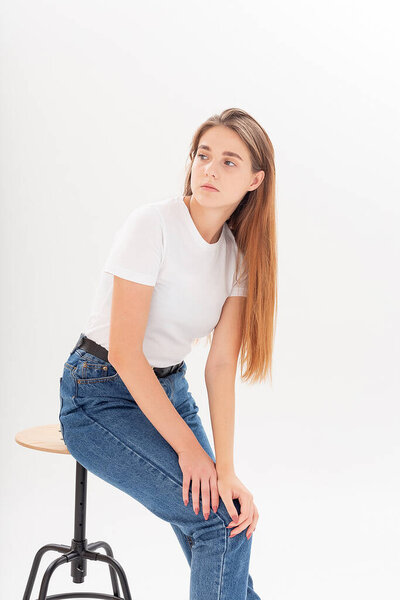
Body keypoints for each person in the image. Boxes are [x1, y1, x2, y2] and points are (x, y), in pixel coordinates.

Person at [59, 107, 277, 600]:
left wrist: (225, 469)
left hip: (169, 391)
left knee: (230, 517)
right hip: (98, 395)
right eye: (203, 156)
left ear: (255, 180)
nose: (209, 170)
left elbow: (220, 366)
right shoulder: (152, 225)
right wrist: (188, 450)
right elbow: (125, 355)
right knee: (219, 524)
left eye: (228, 162)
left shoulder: (237, 257)